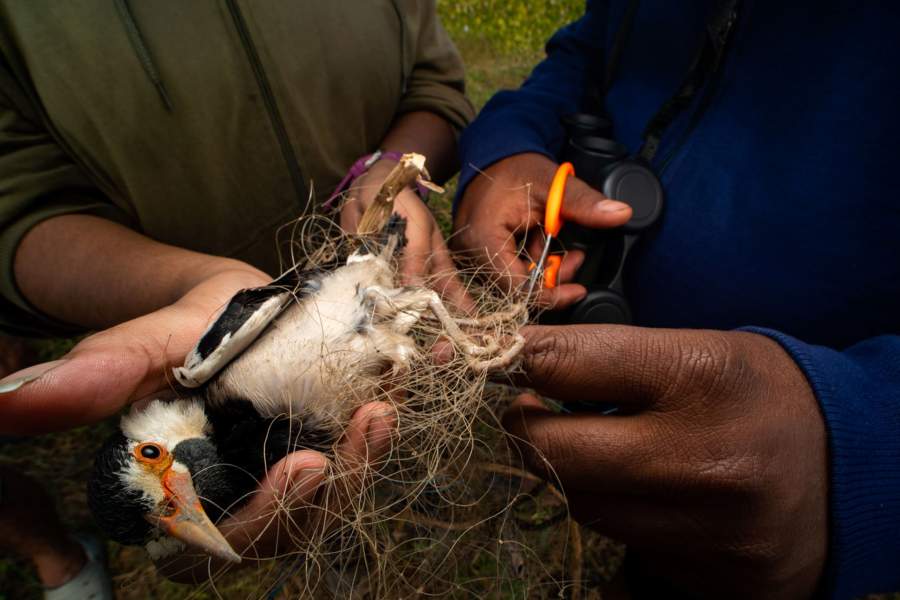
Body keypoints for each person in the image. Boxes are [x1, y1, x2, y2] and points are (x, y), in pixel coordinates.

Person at [0, 0, 471, 583]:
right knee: (329, 491)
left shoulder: (211, 373)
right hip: (304, 327)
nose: (181, 488)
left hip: (350, 270)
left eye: (157, 463)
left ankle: (417, 484)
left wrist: (388, 171)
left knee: (398, 434)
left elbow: (437, 84)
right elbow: (17, 203)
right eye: (174, 510)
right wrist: (186, 282)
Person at [453, 1, 900, 598]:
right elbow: (585, 52)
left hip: (803, 535)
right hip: (659, 482)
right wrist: (507, 149)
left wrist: (863, 455)